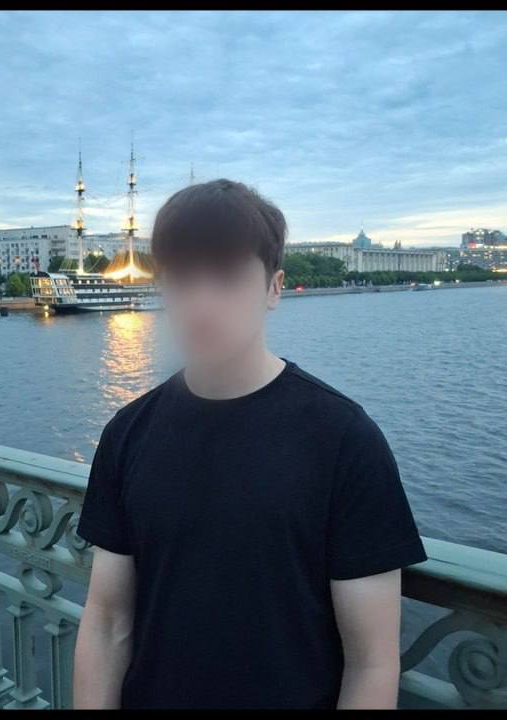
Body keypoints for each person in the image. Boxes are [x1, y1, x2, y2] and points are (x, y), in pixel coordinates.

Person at [73, 179, 427, 710]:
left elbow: (372, 662)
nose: (202, 304)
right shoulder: (127, 433)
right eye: (182, 279)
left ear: (273, 289)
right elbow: (106, 623)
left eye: (227, 278)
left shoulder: (344, 439)